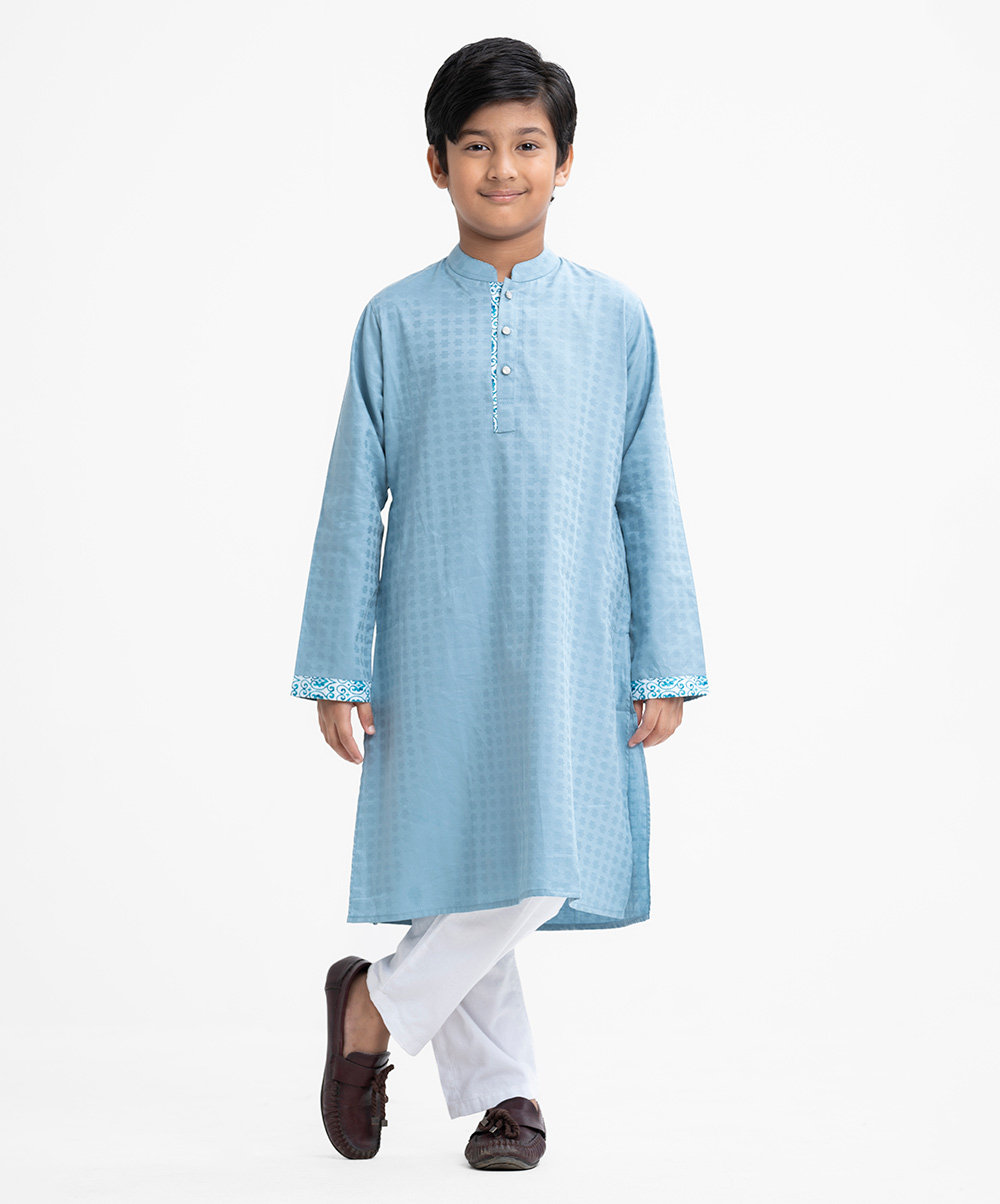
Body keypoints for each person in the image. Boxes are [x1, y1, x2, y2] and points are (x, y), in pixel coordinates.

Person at [290, 36, 709, 1170]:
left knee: (546, 852)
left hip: (574, 637)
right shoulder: (393, 320)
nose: (503, 169)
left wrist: (663, 659)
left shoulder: (616, 319)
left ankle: (375, 1004)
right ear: (437, 164)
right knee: (466, 853)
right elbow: (351, 503)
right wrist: (338, 665)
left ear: (565, 162)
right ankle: (506, 1096)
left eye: (527, 144)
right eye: (476, 146)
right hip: (433, 634)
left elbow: (645, 492)